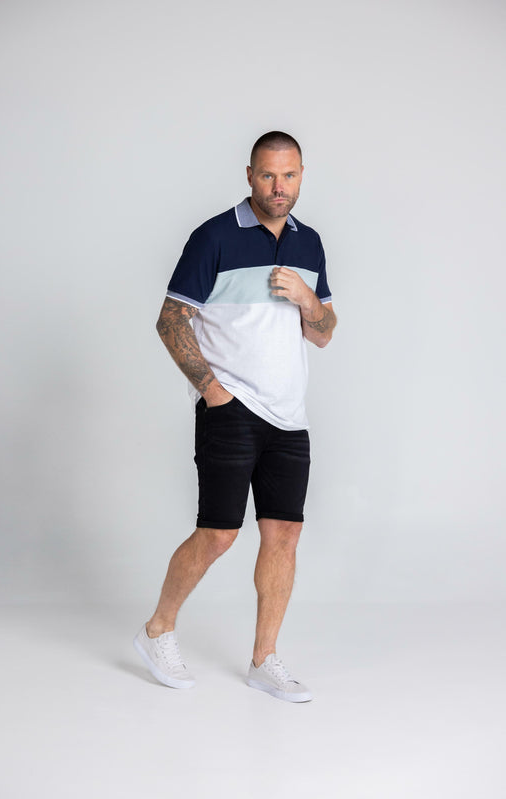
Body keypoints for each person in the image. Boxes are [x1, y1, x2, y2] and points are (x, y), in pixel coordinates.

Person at [134, 131, 337, 703]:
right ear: (250, 175)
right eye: (268, 175)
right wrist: (214, 393)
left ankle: (264, 660)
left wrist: (308, 299)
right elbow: (171, 320)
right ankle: (157, 630)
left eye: (289, 175)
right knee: (219, 532)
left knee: (284, 534)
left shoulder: (310, 243)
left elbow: (323, 334)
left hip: (289, 415)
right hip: (232, 410)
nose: (279, 187)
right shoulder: (214, 236)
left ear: (302, 175)